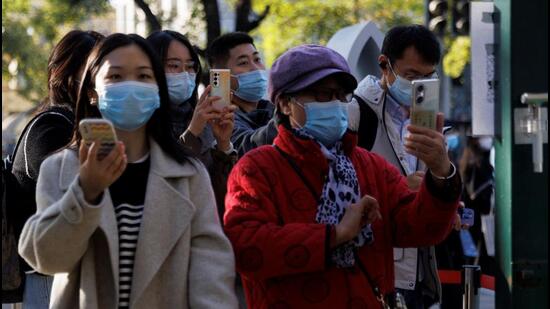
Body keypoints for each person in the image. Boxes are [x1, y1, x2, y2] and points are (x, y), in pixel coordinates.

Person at [224, 44, 461, 308]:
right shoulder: (256, 168)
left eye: (341, 95)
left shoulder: (370, 166)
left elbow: (419, 228)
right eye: (323, 95)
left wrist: (441, 175)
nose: (335, 104)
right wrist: (334, 234)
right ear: (285, 104)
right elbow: (246, 248)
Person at [18, 33, 238, 309]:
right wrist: (85, 193)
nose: (131, 86)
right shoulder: (61, 167)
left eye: (144, 76)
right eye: (116, 77)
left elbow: (211, 273)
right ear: (92, 92)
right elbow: (48, 259)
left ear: (158, 90)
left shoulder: (188, 174)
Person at [352, 24, 450, 308]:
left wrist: (442, 193)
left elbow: (434, 178)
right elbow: (340, 187)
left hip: (418, 267)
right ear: (385, 65)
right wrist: (397, 188)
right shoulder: (356, 114)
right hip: (379, 267)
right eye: (411, 76)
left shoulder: (427, 116)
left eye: (428, 77)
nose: (419, 86)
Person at [7, 30, 104, 308]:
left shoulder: (90, 123)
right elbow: (66, 198)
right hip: (47, 275)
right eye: (95, 70)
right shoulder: (50, 126)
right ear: (68, 74)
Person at [147, 30, 237, 218]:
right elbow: (165, 183)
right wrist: (192, 132)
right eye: (174, 66)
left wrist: (223, 145)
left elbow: (225, 195)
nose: (185, 74)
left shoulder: (204, 119)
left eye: (190, 66)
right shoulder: (141, 122)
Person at [207, 32, 278, 157]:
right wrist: (289, 117)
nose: (256, 68)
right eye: (243, 63)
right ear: (222, 74)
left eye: (257, 59)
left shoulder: (273, 109)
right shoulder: (219, 119)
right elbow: (246, 149)